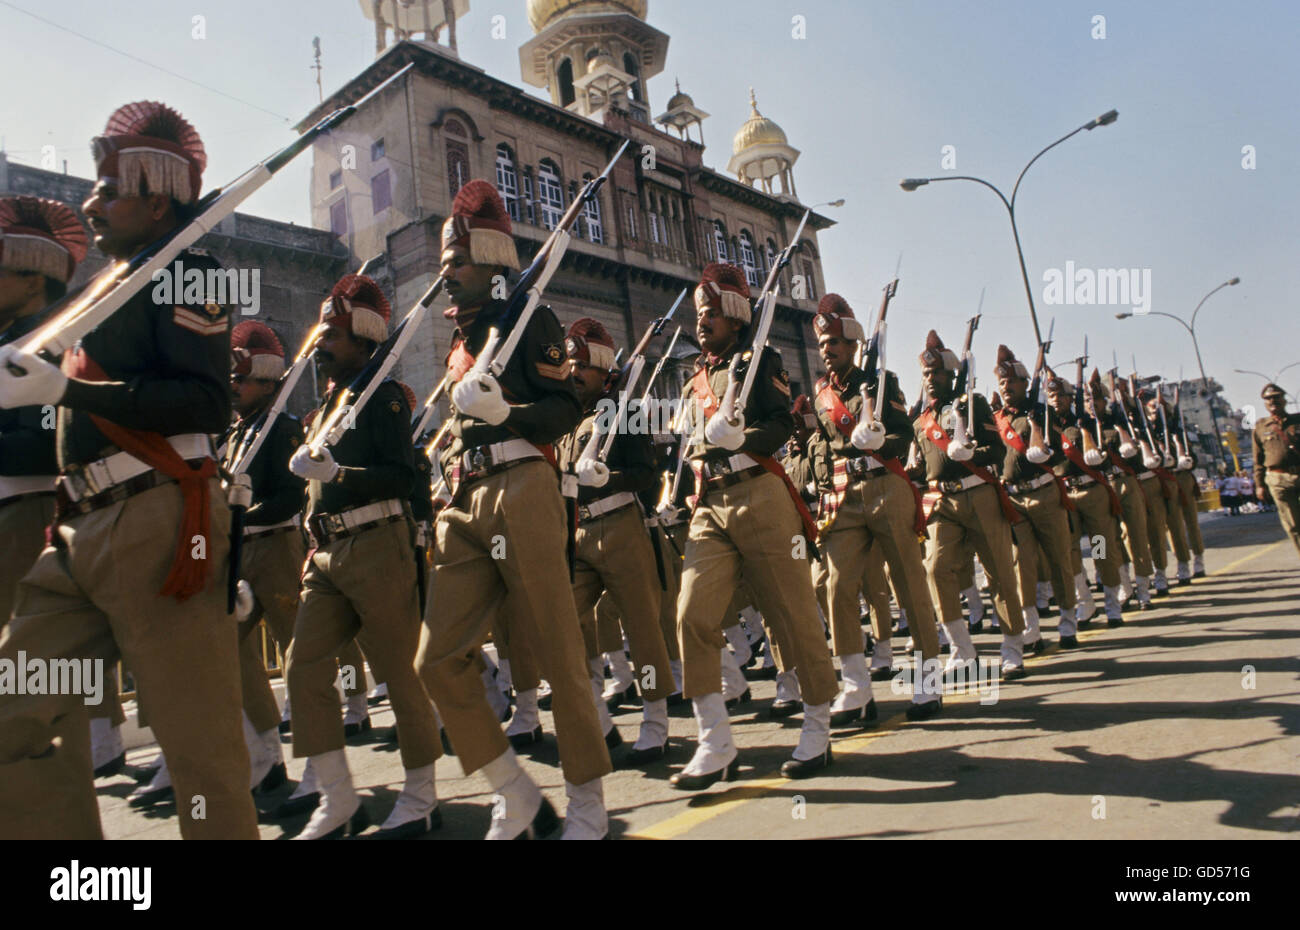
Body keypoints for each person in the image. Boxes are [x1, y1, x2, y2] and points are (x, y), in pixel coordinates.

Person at [0, 101, 258, 839]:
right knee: (12, 709)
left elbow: (206, 402)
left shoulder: (193, 272)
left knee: (201, 755)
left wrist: (65, 390)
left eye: (110, 191)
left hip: (157, 520)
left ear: (155, 198)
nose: (92, 203)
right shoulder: (107, 286)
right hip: (76, 536)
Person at [414, 179, 611, 839]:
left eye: (458, 261)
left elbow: (563, 411)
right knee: (436, 659)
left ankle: (587, 798)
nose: (447, 272)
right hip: (465, 500)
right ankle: (515, 790)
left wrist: (507, 412)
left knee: (557, 642)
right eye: (445, 261)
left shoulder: (532, 318)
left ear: (494, 256)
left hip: (524, 484)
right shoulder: (463, 340)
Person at [282, 273, 441, 840]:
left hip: (377, 542)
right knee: (303, 665)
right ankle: (338, 795)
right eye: (322, 333)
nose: (322, 343)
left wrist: (340, 473)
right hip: (328, 552)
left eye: (335, 335)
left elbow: (405, 474)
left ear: (364, 339)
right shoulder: (331, 404)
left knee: (400, 673)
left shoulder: (385, 396)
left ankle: (422, 796)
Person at [670, 262, 838, 788]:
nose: (702, 321)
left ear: (736, 315)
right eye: (699, 313)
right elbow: (687, 452)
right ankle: (715, 741)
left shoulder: (759, 358)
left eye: (712, 313)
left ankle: (817, 725)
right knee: (692, 614)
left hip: (760, 493)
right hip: (711, 503)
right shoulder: (692, 379)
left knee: (791, 611)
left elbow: (782, 424)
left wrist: (741, 437)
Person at [806, 294, 942, 722]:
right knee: (837, 587)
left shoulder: (883, 383)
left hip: (886, 486)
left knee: (909, 581)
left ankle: (926, 682)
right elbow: (826, 449)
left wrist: (881, 439)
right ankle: (856, 688)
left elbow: (905, 438)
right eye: (822, 344)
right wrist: (821, 475)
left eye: (834, 343)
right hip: (845, 497)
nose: (827, 350)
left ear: (852, 345)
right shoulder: (822, 396)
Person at [555, 317, 675, 764]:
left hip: (621, 524)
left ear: (603, 369)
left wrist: (608, 477)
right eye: (569, 364)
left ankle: (656, 720)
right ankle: (598, 720)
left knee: (641, 627)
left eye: (582, 365)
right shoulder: (566, 420)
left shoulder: (623, 409)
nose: (573, 372)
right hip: (578, 530)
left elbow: (648, 472)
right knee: (566, 622)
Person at [912, 331, 1027, 679]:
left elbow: (996, 450)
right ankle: (962, 649)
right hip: (941, 500)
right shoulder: (921, 420)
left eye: (937, 373)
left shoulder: (972, 404)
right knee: (935, 569)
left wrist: (970, 453)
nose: (931, 380)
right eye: (926, 374)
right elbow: (923, 464)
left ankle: (1012, 647)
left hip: (979, 493)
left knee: (999, 571)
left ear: (951, 374)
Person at [223, 321, 305, 794]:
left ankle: (323, 761)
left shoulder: (283, 428)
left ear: (270, 380)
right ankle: (268, 754)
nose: (234, 387)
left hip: (275, 546)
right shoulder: (238, 433)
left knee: (299, 651)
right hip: (242, 551)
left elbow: (291, 496)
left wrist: (242, 518)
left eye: (243, 379)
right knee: (230, 650)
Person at [992, 346, 1077, 651]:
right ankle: (1031, 629)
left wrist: (1039, 427)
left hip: (1045, 493)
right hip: (1014, 500)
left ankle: (1069, 623)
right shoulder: (997, 418)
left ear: (1025, 383)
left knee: (1060, 560)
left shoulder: (1041, 411)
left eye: (1011, 382)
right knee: (1021, 565)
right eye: (1002, 383)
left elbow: (1054, 448)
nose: (1006, 387)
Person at [1253, 384, 1300, 556]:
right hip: (1278, 479)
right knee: (1293, 524)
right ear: (1264, 403)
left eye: (1277, 397)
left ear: (1284, 400)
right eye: (1268, 398)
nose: (1273, 401)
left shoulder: (1297, 421)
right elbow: (1258, 459)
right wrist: (1259, 485)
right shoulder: (1260, 426)